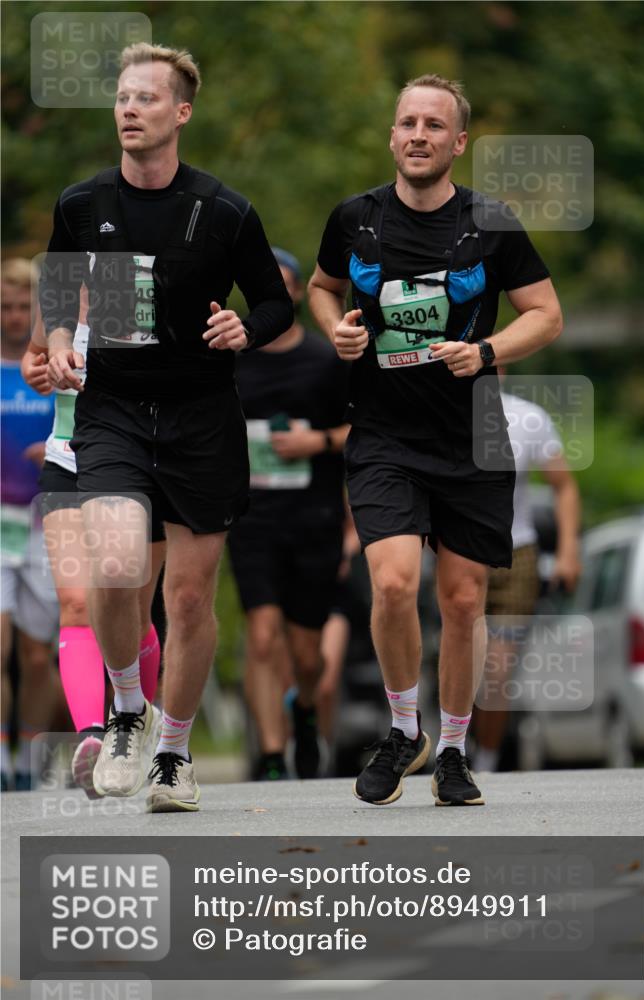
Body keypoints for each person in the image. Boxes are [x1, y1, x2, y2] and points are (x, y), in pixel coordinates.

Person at [40, 43, 292, 812]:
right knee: (117, 565)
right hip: (112, 407)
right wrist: (56, 345)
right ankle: (125, 710)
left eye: (145, 98)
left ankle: (175, 755)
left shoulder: (222, 210)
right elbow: (57, 289)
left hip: (201, 417)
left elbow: (275, 304)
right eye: (121, 97)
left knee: (187, 599)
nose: (128, 109)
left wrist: (244, 330)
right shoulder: (82, 204)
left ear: (180, 112)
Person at [308, 74, 563, 806]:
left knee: (461, 601)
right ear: (392, 136)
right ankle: (401, 730)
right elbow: (321, 287)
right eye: (406, 122)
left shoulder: (492, 223)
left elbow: (544, 314)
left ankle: (452, 750)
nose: (417, 134)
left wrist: (485, 353)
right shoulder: (353, 219)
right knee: (390, 584)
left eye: (432, 125)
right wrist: (337, 329)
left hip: (472, 436)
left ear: (457, 143)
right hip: (384, 431)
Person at [21, 289, 165, 799]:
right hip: (66, 461)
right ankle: (91, 736)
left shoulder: (147, 288)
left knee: (133, 610)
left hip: (138, 471)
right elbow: (33, 358)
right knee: (77, 602)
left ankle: (134, 726)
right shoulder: (60, 291)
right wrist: (36, 372)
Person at [228, 247, 349, 781]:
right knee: (261, 635)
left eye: (283, 284)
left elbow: (365, 429)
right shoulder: (229, 360)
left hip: (314, 517)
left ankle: (302, 711)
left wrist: (318, 441)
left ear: (298, 292)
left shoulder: (326, 360)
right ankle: (274, 756)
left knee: (306, 656)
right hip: (251, 518)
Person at [472, 383, 581, 772]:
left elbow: (563, 485)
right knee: (466, 662)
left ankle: (484, 760)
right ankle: (454, 742)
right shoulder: (438, 412)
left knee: (498, 669)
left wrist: (568, 550)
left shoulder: (528, 417)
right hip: (459, 551)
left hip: (517, 553)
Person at [1, 258, 59, 791]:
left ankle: (30, 755)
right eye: (6, 307)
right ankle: (2, 755)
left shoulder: (49, 366)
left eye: (25, 307)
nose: (16, 317)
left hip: (44, 525)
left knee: (37, 655)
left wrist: (58, 450)